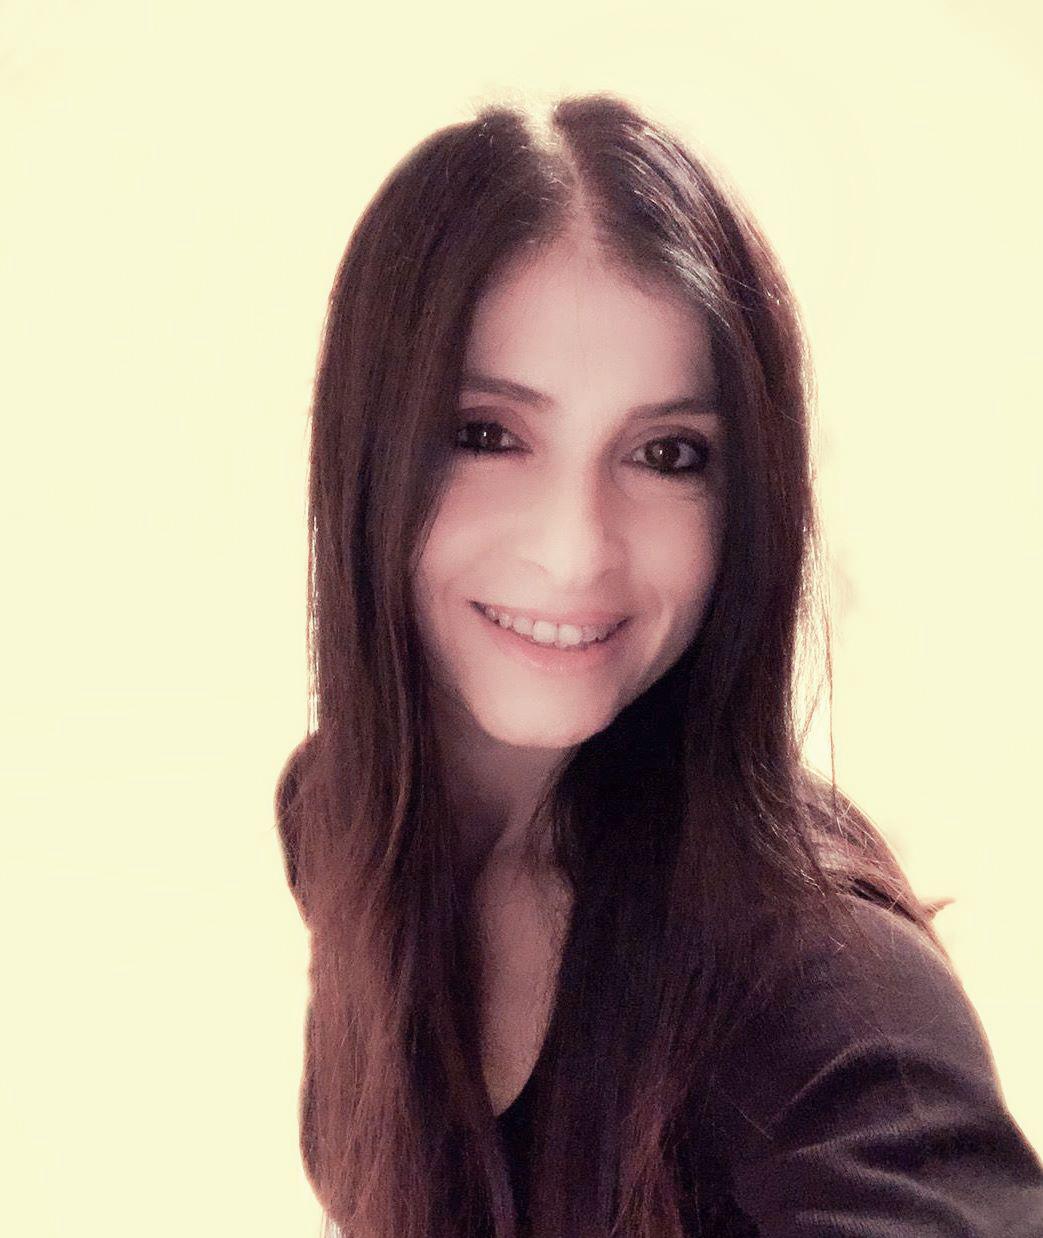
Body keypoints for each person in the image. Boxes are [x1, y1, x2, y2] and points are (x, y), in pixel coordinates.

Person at [273, 92, 1043, 1237]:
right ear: (368, 454)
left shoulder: (821, 989)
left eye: (666, 453)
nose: (574, 548)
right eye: (487, 433)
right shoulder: (345, 810)